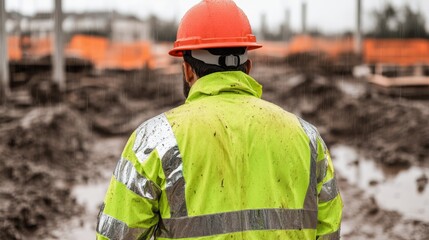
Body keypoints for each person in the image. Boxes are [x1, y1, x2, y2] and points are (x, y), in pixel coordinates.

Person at [96, 0, 343, 239]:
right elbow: (329, 229)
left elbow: (117, 234)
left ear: (188, 70)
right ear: (247, 67)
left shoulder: (154, 140)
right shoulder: (307, 138)